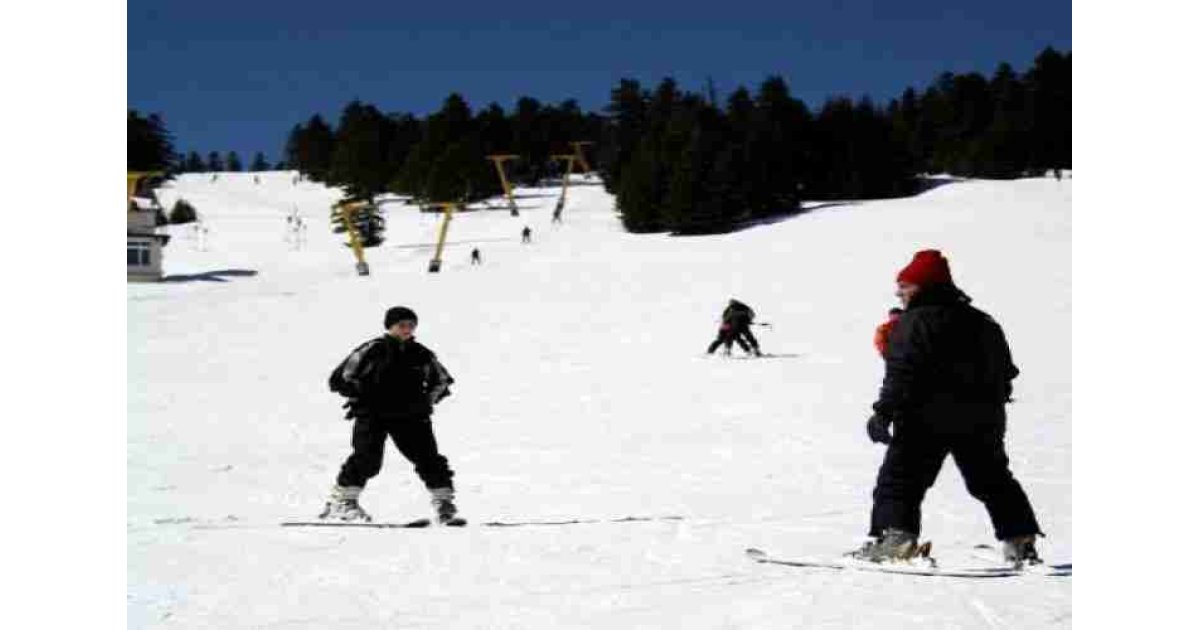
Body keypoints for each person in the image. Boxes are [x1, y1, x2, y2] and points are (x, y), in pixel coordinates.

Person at [853, 250, 1042, 564]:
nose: (898, 292)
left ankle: (896, 541)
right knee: (993, 480)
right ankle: (1020, 541)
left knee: (900, 480)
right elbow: (1006, 371)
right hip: (982, 419)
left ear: (924, 286)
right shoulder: (982, 321)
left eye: (905, 285)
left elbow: (902, 374)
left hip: (924, 419)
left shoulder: (912, 323)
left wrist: (883, 413)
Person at [322, 306, 462, 525]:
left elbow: (441, 380)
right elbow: (340, 378)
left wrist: (425, 403)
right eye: (401, 325)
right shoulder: (372, 349)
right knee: (367, 458)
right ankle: (342, 503)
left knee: (428, 458)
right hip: (372, 414)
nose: (407, 329)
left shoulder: (421, 353)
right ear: (390, 326)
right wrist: (362, 396)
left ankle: (444, 505)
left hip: (411, 416)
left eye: (411, 325)